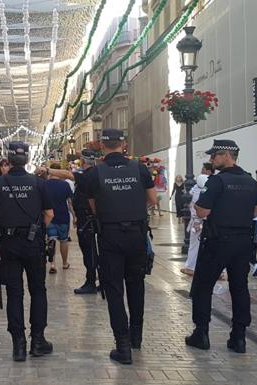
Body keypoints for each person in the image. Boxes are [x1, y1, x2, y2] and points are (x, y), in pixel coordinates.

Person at [0, 142, 54, 362]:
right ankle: (38, 341)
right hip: (33, 244)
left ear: (9, 160)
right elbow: (49, 214)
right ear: (27, 159)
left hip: (9, 244)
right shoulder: (39, 183)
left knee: (14, 293)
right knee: (38, 290)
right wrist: (38, 231)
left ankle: (18, 345)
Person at [185, 139, 257, 354]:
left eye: (215, 155)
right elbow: (256, 211)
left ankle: (201, 333)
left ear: (227, 155)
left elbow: (202, 212)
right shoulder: (251, 182)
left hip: (218, 241)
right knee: (239, 288)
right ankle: (239, 338)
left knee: (203, 286)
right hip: (243, 242)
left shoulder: (217, 181)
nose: (212, 160)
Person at [86, 129, 157, 365]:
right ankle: (136, 337)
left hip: (110, 235)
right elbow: (153, 200)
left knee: (114, 289)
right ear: (123, 144)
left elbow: (94, 206)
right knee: (136, 285)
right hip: (136, 233)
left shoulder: (96, 173)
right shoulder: (139, 169)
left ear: (102, 146)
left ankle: (123, 346)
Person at [72, 149, 100, 294]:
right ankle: (103, 280)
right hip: (94, 218)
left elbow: (68, 174)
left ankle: (91, 282)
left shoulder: (84, 175)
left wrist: (46, 169)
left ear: (82, 162)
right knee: (97, 251)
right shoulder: (98, 173)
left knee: (89, 252)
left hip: (87, 220)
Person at [45, 163, 74, 274]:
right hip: (63, 216)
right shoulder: (65, 185)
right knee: (63, 241)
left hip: (49, 216)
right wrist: (75, 216)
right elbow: (70, 202)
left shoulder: (45, 184)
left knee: (51, 239)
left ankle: (52, 264)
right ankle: (64, 263)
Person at [181, 174, 209, 276]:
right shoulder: (209, 191)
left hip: (198, 222)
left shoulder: (196, 192)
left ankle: (190, 267)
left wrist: (197, 221)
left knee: (194, 245)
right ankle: (219, 271)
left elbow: (195, 208)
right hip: (210, 222)